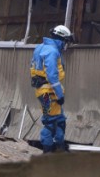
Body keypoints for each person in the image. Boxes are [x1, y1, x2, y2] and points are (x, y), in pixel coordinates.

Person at [30, 25, 73, 153]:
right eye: (66, 41)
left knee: (59, 120)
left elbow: (33, 68)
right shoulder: (52, 51)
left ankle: (59, 149)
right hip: (49, 93)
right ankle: (48, 152)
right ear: (61, 39)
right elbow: (52, 75)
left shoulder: (40, 48)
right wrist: (59, 95)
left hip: (44, 91)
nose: (66, 45)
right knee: (51, 122)